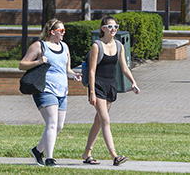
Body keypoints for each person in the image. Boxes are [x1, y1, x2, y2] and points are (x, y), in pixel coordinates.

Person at [20, 18, 81, 167]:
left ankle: (37, 150)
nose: (63, 33)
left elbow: (66, 70)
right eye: (61, 31)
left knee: (58, 126)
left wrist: (74, 76)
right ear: (52, 32)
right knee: (52, 123)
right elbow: (22, 65)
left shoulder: (64, 47)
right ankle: (50, 158)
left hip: (62, 90)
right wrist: (38, 61)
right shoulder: (40, 46)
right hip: (45, 89)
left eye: (64, 30)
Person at [82, 16, 139, 167]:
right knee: (105, 120)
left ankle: (87, 153)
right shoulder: (97, 46)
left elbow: (124, 67)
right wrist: (92, 92)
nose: (113, 29)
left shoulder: (119, 45)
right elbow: (92, 72)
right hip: (98, 86)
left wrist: (133, 83)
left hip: (111, 86)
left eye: (115, 27)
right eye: (109, 27)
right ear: (103, 29)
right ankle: (114, 155)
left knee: (99, 121)